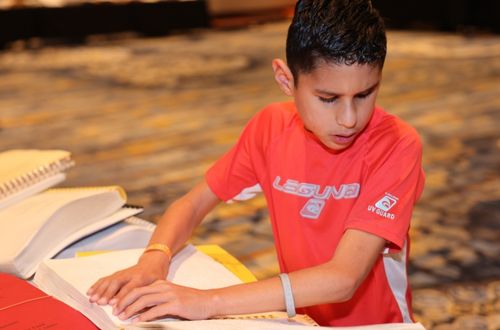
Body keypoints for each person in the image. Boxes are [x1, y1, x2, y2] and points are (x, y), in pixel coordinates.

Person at [87, 0, 425, 326]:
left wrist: (207, 302)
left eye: (364, 94)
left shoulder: (396, 145)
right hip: (298, 319)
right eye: (328, 99)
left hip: (380, 326)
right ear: (286, 80)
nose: (349, 119)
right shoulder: (271, 129)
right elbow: (192, 204)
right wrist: (154, 259)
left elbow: (343, 278)